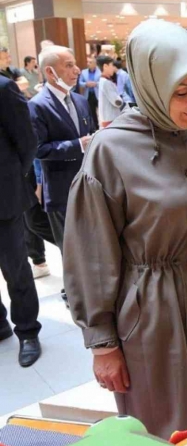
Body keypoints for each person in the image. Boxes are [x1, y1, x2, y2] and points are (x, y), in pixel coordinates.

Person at [63, 19, 187, 439]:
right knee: (169, 430)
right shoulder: (110, 150)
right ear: (151, 84)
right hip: (154, 316)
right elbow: (91, 256)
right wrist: (103, 343)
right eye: (181, 92)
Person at [29, 45, 93, 307]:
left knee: (90, 239)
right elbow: (38, 149)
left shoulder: (79, 99)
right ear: (50, 71)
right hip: (59, 186)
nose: (76, 70)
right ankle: (76, 292)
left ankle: (92, 286)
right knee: (70, 244)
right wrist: (77, 145)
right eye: (68, 65)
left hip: (88, 183)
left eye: (74, 63)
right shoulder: (37, 106)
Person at [0, 74, 43, 367]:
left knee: (15, 266)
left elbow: (27, 142)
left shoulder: (3, 88)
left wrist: (13, 178)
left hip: (4, 197)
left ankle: (27, 330)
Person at [97, 55, 123, 128]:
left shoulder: (103, 80)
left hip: (107, 119)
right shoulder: (106, 82)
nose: (113, 68)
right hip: (110, 119)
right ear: (105, 66)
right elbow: (117, 102)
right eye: (112, 65)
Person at [78, 54, 100, 131]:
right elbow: (79, 83)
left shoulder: (100, 71)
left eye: (90, 62)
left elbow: (104, 82)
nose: (88, 64)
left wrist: (96, 84)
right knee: (92, 112)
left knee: (101, 111)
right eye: (88, 62)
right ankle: (95, 128)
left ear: (95, 63)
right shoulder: (83, 72)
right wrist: (86, 84)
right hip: (88, 95)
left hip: (98, 94)